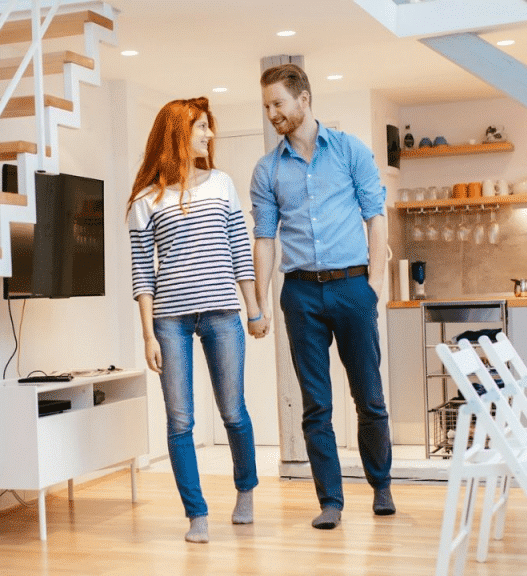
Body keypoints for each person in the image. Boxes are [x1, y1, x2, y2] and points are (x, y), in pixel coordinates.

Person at [249, 64, 395, 529]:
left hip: (353, 287)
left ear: (304, 99)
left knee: (369, 396)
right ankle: (329, 501)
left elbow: (375, 216)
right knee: (316, 404)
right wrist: (260, 301)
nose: (272, 113)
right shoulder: (267, 169)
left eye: (278, 103)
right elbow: (265, 239)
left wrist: (374, 284)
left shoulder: (351, 150)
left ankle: (382, 485)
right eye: (267, 106)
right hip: (301, 295)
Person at [127, 97, 266, 543]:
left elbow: (239, 250)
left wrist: (255, 308)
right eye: (202, 127)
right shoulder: (147, 200)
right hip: (170, 321)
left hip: (223, 313)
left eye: (209, 127)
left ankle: (245, 490)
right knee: (180, 421)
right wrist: (148, 334)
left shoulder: (222, 184)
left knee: (233, 412)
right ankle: (197, 514)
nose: (209, 135)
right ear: (178, 134)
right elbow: (142, 272)